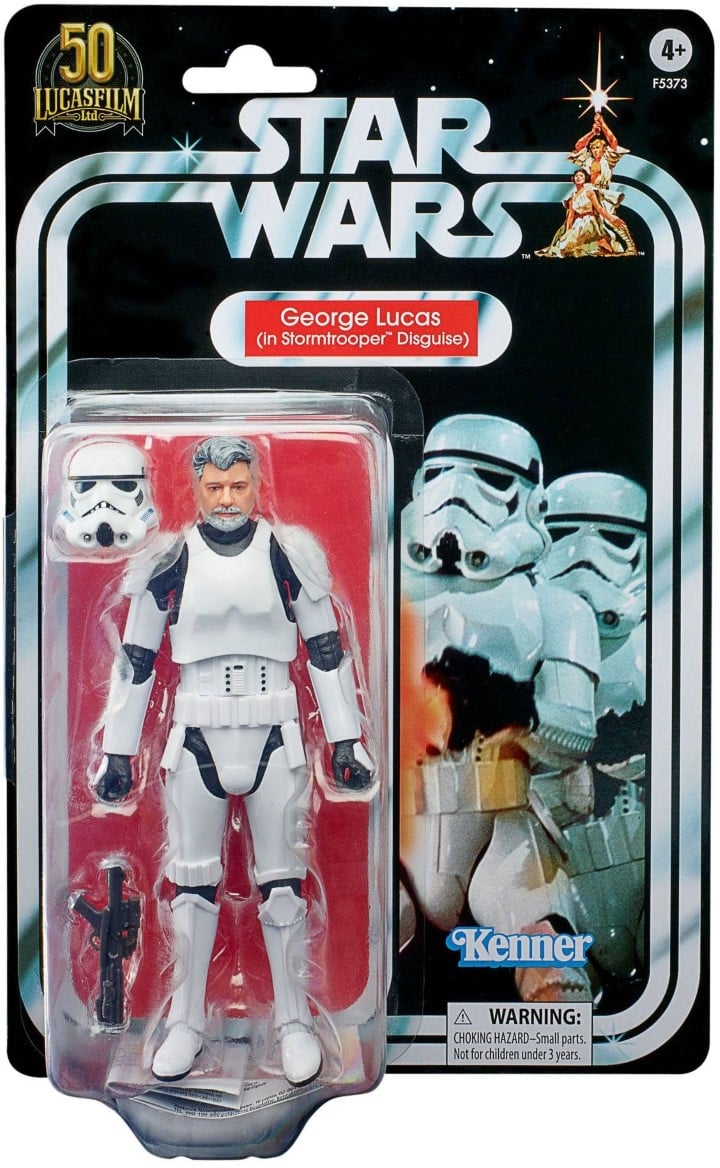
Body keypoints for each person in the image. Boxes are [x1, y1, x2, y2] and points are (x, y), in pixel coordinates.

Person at [94, 436, 374, 1085]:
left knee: (283, 885)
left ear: (255, 486)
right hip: (195, 736)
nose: (227, 498)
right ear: (196, 489)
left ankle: (295, 1022)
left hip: (275, 733)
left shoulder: (287, 554)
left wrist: (346, 741)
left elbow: (326, 648)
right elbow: (135, 660)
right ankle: (186, 1022)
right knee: (192, 886)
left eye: (238, 485)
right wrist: (117, 753)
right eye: (215, 487)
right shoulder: (170, 561)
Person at [536, 168, 636, 258]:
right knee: (564, 245)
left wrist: (611, 219)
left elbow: (599, 208)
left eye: (581, 176)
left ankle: (606, 246)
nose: (578, 178)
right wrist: (567, 233)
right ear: (573, 179)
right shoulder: (573, 197)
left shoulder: (589, 191)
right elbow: (570, 216)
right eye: (576, 176)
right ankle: (599, 246)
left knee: (568, 247)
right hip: (577, 224)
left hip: (589, 222)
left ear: (585, 178)